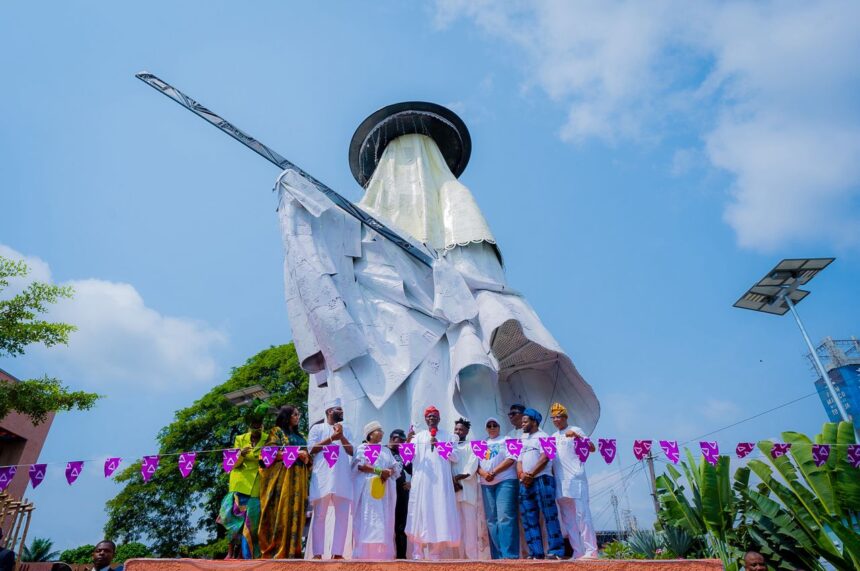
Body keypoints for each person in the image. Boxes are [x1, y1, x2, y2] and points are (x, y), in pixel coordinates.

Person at [277, 102, 600, 442]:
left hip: (433, 336)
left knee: (438, 421)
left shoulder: (449, 201)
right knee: (377, 432)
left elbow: (479, 276)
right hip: (382, 335)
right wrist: (297, 194)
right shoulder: (359, 220)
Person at [405, 405, 461, 559]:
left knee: (439, 513)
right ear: (425, 419)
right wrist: (407, 442)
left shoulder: (449, 436)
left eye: (434, 416)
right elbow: (407, 459)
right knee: (419, 514)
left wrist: (439, 446)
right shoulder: (417, 437)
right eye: (429, 416)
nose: (431, 418)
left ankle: (435, 552)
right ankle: (417, 551)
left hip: (440, 484)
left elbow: (455, 457)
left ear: (439, 419)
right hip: (421, 482)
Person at [259, 404, 311, 558]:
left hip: (300, 478)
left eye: (298, 415)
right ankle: (278, 550)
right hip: (284, 477)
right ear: (287, 416)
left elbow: (308, 457)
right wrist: (295, 453)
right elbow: (269, 454)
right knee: (282, 512)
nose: (297, 417)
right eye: (295, 414)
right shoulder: (277, 432)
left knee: (297, 514)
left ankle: (293, 550)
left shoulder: (301, 435)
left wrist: (307, 458)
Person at [307, 398, 354, 559]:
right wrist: (331, 439)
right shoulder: (317, 428)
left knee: (342, 517)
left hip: (342, 478)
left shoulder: (346, 429)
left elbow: (352, 451)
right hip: (323, 478)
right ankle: (318, 553)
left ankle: (338, 553)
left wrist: (341, 437)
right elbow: (311, 449)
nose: (341, 412)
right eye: (338, 409)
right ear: (328, 412)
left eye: (341, 409)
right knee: (320, 515)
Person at [549, 402, 597, 559]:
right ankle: (578, 551)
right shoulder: (553, 437)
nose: (556, 420)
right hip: (560, 480)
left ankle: (591, 551)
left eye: (558, 416)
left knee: (582, 514)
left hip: (576, 478)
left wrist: (577, 437)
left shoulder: (575, 430)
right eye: (553, 417)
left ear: (565, 417)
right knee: (567, 518)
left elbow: (591, 447)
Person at [218, 404, 266, 558]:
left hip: (256, 487)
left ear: (263, 426)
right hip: (239, 484)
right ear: (249, 426)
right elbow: (233, 463)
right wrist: (242, 455)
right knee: (233, 520)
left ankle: (245, 555)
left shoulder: (268, 439)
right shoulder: (240, 439)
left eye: (259, 426)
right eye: (253, 426)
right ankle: (230, 552)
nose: (256, 429)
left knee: (251, 523)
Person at [351, 420, 403, 559]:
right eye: (378, 430)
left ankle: (382, 554)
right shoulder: (361, 448)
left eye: (382, 431)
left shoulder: (385, 450)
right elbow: (360, 466)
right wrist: (380, 471)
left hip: (383, 490)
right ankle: (363, 554)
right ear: (370, 434)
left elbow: (395, 467)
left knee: (383, 518)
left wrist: (389, 472)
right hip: (366, 491)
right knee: (366, 519)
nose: (382, 433)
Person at [517, 408, 565, 559]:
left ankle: (556, 551)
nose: (522, 423)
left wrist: (530, 473)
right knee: (528, 518)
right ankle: (536, 552)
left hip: (542, 479)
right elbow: (518, 461)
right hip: (525, 482)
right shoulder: (522, 438)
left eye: (525, 421)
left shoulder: (545, 436)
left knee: (549, 515)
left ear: (534, 421)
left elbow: (545, 458)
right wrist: (522, 475)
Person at [477, 417, 519, 559]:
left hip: (505, 481)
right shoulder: (482, 443)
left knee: (505, 517)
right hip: (486, 483)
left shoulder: (508, 439)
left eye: (495, 425)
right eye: (489, 425)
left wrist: (494, 472)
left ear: (499, 427)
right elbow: (475, 464)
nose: (492, 427)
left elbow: (512, 458)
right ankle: (498, 556)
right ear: (486, 428)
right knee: (491, 520)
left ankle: (510, 555)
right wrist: (484, 473)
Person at [451, 418, 481, 559]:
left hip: (468, 491)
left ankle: (472, 558)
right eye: (456, 429)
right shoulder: (450, 446)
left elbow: (472, 466)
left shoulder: (473, 446)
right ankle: (460, 558)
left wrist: (458, 479)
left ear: (467, 431)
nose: (458, 432)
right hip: (453, 491)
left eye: (461, 429)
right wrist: (452, 480)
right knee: (456, 527)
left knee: (470, 527)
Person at [388, 428, 412, 559]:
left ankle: (401, 557)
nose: (402, 443)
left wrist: (411, 483)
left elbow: (414, 470)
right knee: (387, 523)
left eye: (404, 441)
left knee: (401, 525)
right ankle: (386, 554)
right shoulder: (383, 450)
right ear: (392, 438)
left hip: (401, 492)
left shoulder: (403, 453)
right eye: (400, 440)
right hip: (386, 492)